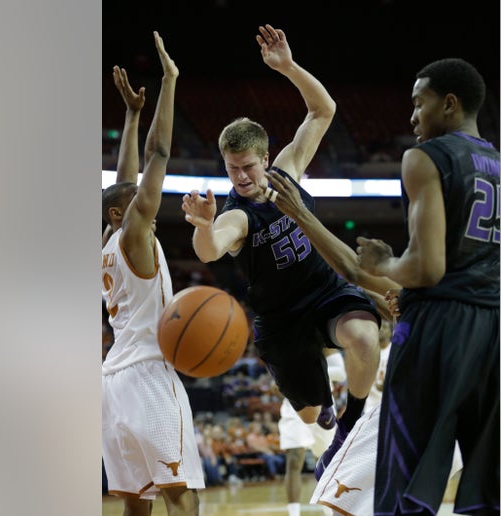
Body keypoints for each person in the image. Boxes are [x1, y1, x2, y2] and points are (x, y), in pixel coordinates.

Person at [181, 23, 381, 479]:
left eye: (248, 167)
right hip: (281, 318)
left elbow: (322, 110)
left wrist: (288, 67)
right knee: (311, 417)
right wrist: (202, 225)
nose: (241, 177)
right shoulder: (236, 215)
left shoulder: (288, 169)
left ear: (266, 158)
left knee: (366, 337)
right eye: (232, 169)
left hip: (326, 292)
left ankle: (350, 424)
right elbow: (211, 250)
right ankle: (327, 411)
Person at [357, 58, 500, 515]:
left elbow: (426, 268)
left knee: (405, 483)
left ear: (450, 104)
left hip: (439, 326)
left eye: (420, 103)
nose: (413, 116)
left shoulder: (425, 157)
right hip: (497, 330)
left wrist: (384, 262)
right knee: (486, 490)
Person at [101, 33, 205, 515]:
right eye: (136, 203)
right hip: (146, 373)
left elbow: (123, 184)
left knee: (134, 505)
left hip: (112, 383)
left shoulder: (108, 242)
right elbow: (157, 156)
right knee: (181, 496)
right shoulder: (131, 235)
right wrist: (169, 81)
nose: (148, 205)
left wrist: (131, 115)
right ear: (124, 214)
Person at [278, 349, 344, 516]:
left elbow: (341, 373)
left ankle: (328, 510)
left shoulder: (322, 337)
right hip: (294, 403)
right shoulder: (281, 332)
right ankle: (294, 513)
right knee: (294, 458)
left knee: (325, 462)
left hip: (323, 405)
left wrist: (312, 370)